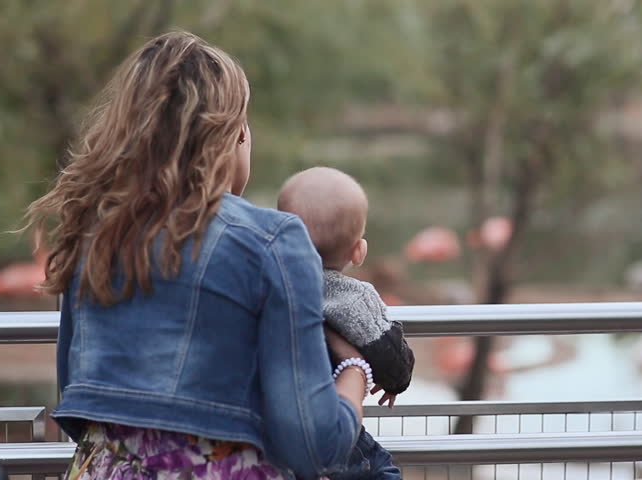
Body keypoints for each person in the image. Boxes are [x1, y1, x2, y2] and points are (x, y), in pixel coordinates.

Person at [22, 32, 367, 480]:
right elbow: (310, 442)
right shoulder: (273, 241)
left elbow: (80, 398)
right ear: (232, 135)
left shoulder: (94, 231)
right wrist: (356, 367)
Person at [278, 167, 415, 480]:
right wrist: (395, 381)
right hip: (337, 426)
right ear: (358, 251)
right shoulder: (356, 298)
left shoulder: (273, 286)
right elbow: (390, 353)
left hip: (282, 428)